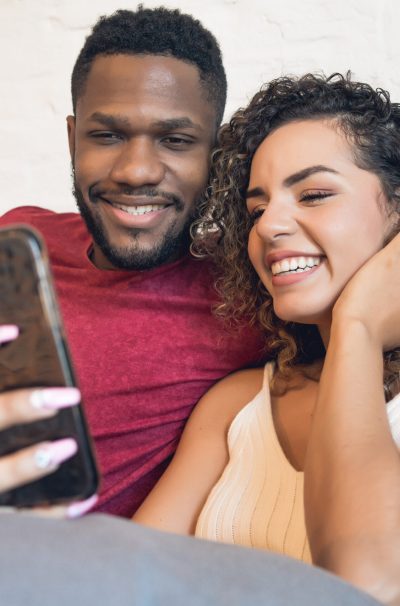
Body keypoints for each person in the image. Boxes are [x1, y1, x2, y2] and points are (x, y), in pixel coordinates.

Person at [132, 73, 400, 605]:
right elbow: (118, 579)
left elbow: (365, 581)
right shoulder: (236, 406)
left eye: (315, 194)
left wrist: (358, 326)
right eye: (256, 210)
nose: (270, 224)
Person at [0, 7, 264, 517]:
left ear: (217, 151)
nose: (136, 171)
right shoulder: (19, 240)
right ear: (72, 138)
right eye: (107, 136)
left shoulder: (248, 293)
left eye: (176, 140)